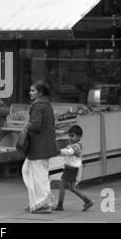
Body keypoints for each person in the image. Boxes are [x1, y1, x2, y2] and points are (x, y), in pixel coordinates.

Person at [22, 80, 58, 213]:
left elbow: (36, 126)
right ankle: (39, 202)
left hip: (38, 146)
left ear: (40, 93)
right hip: (44, 145)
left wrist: (26, 125)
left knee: (38, 175)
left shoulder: (38, 106)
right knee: (31, 171)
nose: (30, 93)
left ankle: (42, 203)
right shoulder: (47, 105)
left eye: (33, 90)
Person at [53, 125, 94, 212]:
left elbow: (68, 152)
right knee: (72, 188)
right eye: (70, 136)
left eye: (73, 136)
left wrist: (58, 151)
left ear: (79, 137)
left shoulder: (76, 146)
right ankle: (87, 201)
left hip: (70, 169)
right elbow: (67, 151)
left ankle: (60, 205)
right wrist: (59, 152)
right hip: (72, 169)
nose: (70, 138)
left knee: (62, 185)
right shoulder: (74, 145)